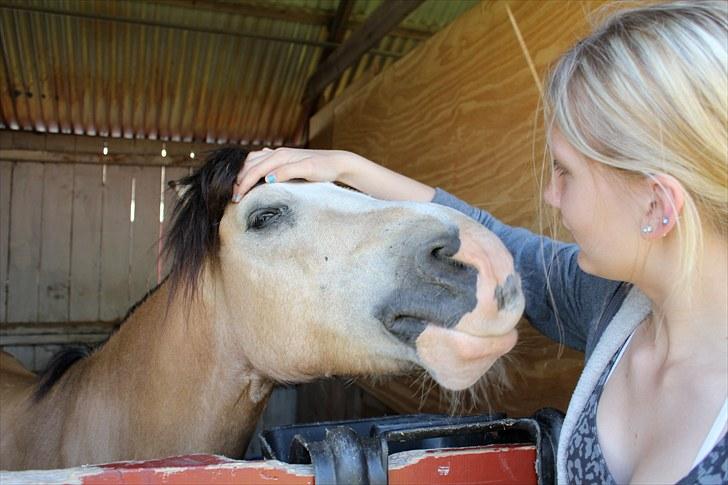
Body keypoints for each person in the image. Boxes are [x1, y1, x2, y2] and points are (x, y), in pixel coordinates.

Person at [232, 1, 727, 483]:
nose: (551, 196)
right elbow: (495, 238)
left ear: (657, 206)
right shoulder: (613, 306)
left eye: (565, 172)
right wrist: (348, 168)